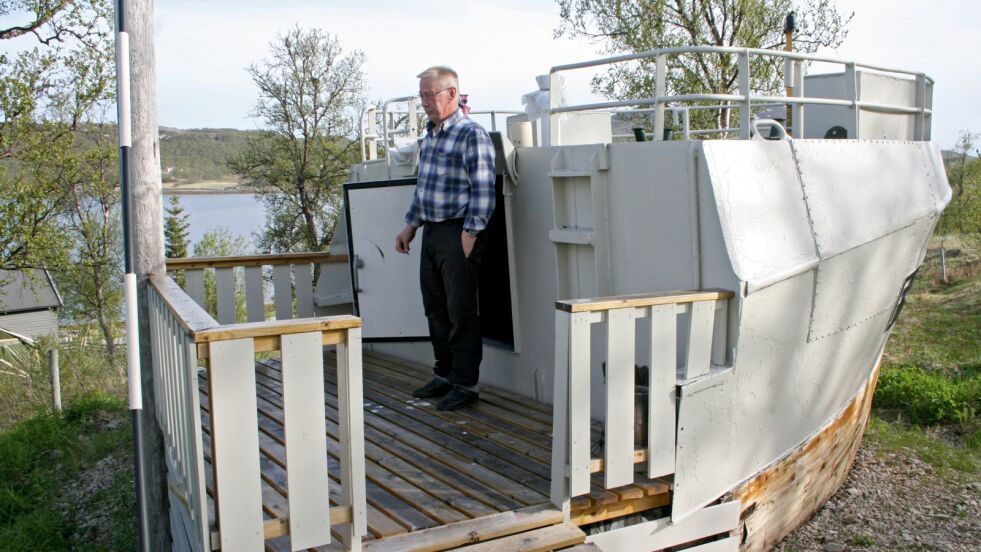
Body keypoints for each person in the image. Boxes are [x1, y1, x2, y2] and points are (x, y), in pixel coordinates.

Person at [395, 66, 496, 411]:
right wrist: (410, 226)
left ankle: (466, 385)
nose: (424, 102)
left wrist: (470, 233)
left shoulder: (471, 134)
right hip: (433, 232)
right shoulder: (432, 136)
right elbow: (424, 189)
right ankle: (445, 375)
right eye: (421, 95)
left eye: (429, 95)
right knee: (435, 308)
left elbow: (484, 188)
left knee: (461, 312)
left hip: (459, 231)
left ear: (451, 94)